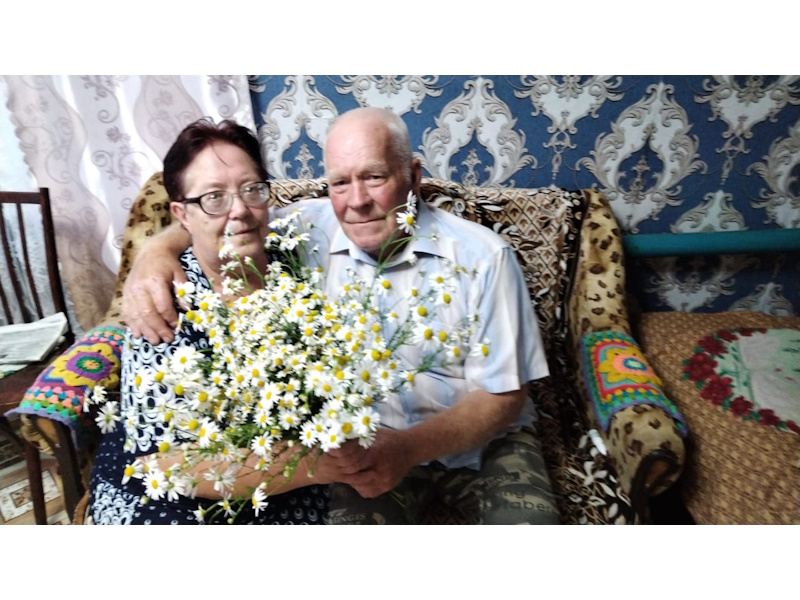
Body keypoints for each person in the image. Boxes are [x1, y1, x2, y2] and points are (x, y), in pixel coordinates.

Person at [121, 108, 560, 524]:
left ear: (414, 176)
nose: (357, 202)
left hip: (483, 442)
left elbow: (504, 395)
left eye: (374, 177)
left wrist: (406, 448)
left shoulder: (484, 257)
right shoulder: (306, 230)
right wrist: (153, 253)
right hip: (365, 445)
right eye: (340, 183)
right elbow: (224, 218)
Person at [89, 119, 356, 524]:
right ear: (181, 213)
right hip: (172, 495)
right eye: (214, 197)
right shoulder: (164, 300)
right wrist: (316, 463)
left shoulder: (299, 253)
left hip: (287, 488)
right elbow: (163, 464)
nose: (241, 209)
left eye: (252, 189)